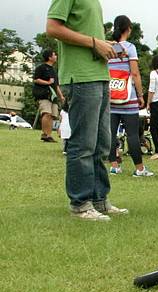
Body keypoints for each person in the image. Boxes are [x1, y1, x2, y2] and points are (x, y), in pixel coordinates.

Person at [47, 0, 128, 221]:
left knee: (101, 143)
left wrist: (104, 45)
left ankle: (99, 200)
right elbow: (53, 28)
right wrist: (94, 42)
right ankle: (80, 204)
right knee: (83, 143)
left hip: (100, 76)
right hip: (80, 78)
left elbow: (85, 36)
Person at [107, 15, 153, 177]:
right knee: (133, 134)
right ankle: (140, 169)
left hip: (111, 96)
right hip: (128, 96)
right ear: (128, 29)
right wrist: (141, 95)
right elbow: (135, 73)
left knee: (111, 133)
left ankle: (114, 166)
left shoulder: (108, 47)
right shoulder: (130, 48)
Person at [33, 49, 64, 142]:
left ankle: (49, 135)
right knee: (46, 113)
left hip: (52, 96)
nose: (56, 56)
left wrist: (61, 96)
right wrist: (47, 82)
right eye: (54, 55)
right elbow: (36, 79)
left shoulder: (53, 70)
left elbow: (56, 85)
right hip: (43, 94)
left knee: (53, 115)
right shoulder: (41, 68)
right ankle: (45, 134)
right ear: (50, 57)